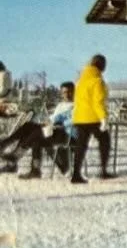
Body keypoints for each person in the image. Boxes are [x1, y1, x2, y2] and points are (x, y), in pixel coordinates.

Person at [0, 82, 76, 178]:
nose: (67, 95)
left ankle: (14, 155)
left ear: (74, 92)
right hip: (56, 132)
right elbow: (53, 118)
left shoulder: (78, 105)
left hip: (69, 135)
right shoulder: (61, 105)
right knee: (29, 127)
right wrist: (49, 122)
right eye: (64, 92)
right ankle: (35, 170)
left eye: (69, 92)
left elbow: (70, 119)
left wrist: (56, 121)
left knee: (37, 132)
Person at [71, 54, 116, 184]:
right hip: (93, 118)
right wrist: (103, 118)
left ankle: (76, 174)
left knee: (81, 145)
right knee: (105, 141)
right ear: (102, 66)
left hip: (79, 117)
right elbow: (98, 102)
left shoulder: (80, 81)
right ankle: (103, 170)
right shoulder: (97, 81)